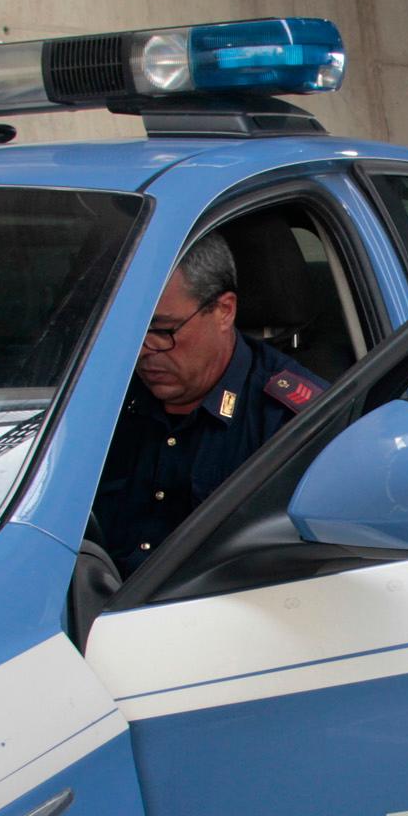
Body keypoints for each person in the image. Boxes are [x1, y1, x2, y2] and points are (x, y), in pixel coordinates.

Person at [92, 232, 324, 576]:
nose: (142, 349)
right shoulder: (100, 398)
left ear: (224, 311)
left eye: (162, 330)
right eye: (130, 329)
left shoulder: (293, 423)